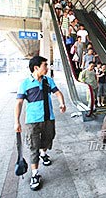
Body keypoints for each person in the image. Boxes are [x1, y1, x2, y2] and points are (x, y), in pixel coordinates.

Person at [14, 56, 66, 191]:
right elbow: (19, 103)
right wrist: (16, 122)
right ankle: (35, 174)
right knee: (33, 147)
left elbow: (58, 92)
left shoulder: (48, 81)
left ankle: (44, 154)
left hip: (49, 119)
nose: (47, 68)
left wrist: (61, 103)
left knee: (48, 139)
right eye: (45, 66)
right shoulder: (25, 83)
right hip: (32, 121)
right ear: (36, 67)